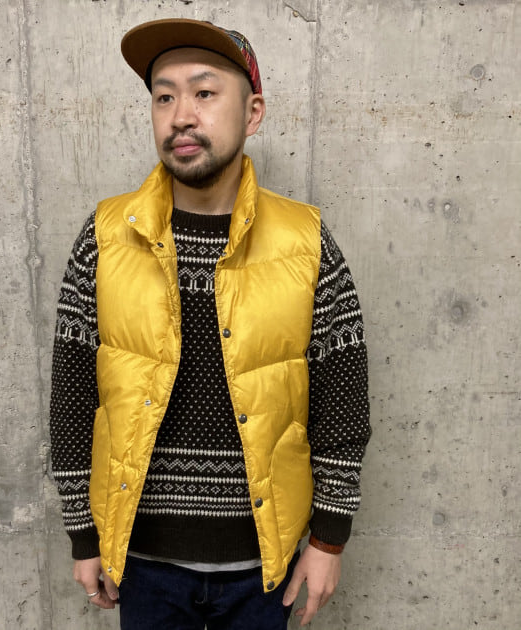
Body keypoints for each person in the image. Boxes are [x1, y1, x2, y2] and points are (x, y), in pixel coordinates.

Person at [50, 17, 371, 629]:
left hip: (264, 568)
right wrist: (83, 535)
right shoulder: (105, 237)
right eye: (164, 97)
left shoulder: (306, 243)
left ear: (253, 113)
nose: (181, 116)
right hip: (141, 564)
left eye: (204, 92)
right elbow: (72, 398)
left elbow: (343, 403)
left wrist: (329, 540)